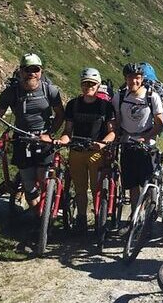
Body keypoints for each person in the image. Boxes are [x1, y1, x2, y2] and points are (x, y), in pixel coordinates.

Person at [0, 53, 64, 213]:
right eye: (27, 69)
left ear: (41, 71)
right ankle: (39, 219)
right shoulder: (11, 93)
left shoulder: (50, 91)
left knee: (44, 180)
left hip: (44, 140)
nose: (31, 73)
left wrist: (50, 134)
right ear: (21, 71)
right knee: (29, 185)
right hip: (21, 140)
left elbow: (60, 114)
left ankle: (46, 217)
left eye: (35, 69)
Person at [55, 68, 116, 233]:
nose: (88, 86)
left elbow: (112, 131)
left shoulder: (106, 107)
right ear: (81, 85)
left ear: (98, 86)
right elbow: (68, 130)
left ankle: (98, 217)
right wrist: (63, 140)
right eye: (85, 83)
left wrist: (103, 143)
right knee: (80, 188)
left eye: (92, 84)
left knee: (97, 189)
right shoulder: (72, 105)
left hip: (96, 153)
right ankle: (81, 219)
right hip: (76, 152)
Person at [112, 63, 163, 212]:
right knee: (132, 185)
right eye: (130, 77)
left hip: (147, 146)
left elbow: (159, 124)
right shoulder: (120, 96)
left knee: (146, 183)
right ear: (125, 78)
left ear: (142, 79)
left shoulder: (151, 96)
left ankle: (148, 217)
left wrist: (146, 137)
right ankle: (134, 219)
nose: (134, 81)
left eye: (137, 78)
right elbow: (117, 121)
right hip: (127, 144)